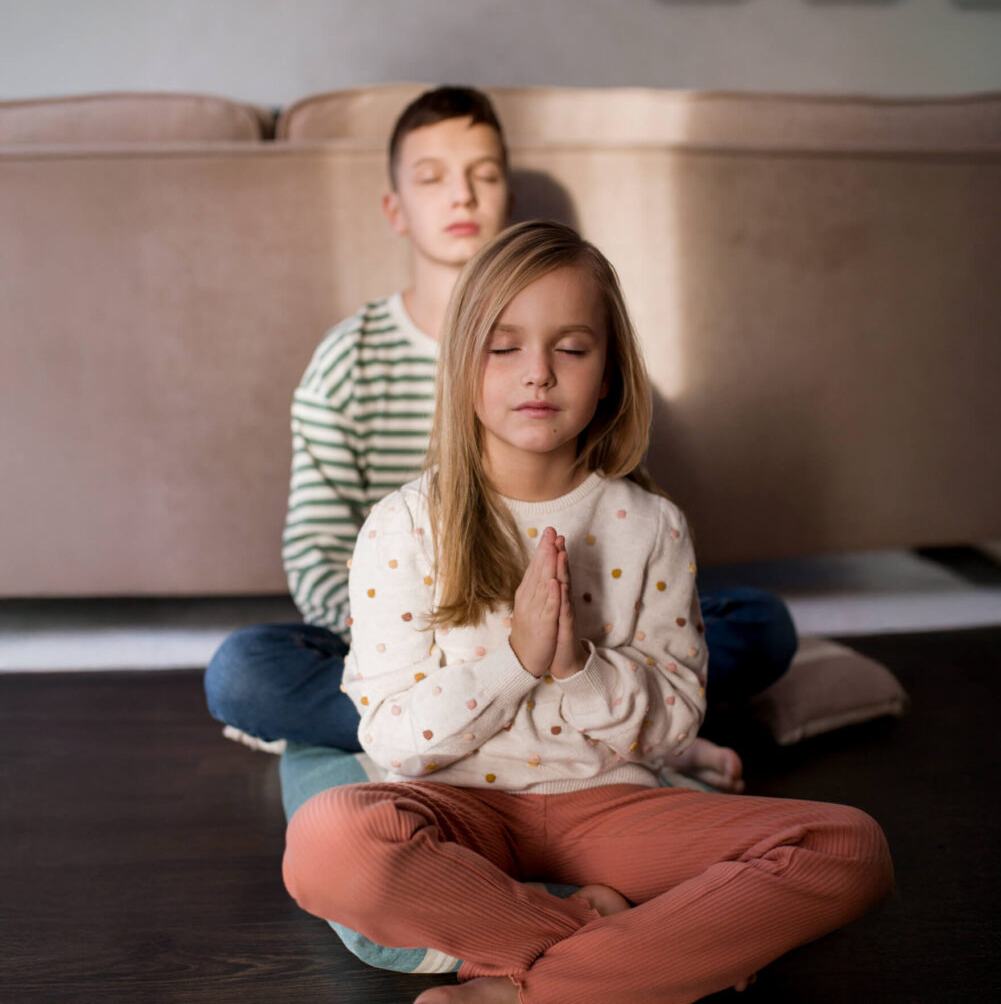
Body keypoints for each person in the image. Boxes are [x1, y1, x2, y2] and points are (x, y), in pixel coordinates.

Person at [281, 220, 893, 1004]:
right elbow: (391, 738)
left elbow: (675, 727)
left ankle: (523, 989)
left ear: (608, 373)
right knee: (328, 841)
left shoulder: (651, 524)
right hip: (458, 803)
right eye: (504, 348)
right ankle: (614, 950)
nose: (537, 373)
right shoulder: (403, 526)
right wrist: (517, 661)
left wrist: (577, 667)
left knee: (851, 847)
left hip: (611, 805)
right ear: (462, 363)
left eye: (571, 348)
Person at [204, 85, 796, 791]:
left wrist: (567, 642)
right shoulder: (348, 361)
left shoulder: (578, 366)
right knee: (244, 669)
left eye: (483, 175)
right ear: (394, 209)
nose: (461, 195)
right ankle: (594, 739)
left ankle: (619, 729)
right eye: (432, 177)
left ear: (509, 201)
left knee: (760, 623)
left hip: (581, 631)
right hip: (413, 634)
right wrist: (425, 641)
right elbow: (314, 547)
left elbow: (613, 520)